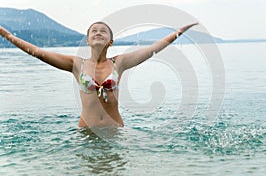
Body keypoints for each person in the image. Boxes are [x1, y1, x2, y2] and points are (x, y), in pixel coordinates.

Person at [0, 21, 198, 128]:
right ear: (87, 40)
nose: (98, 32)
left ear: (110, 41)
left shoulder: (119, 62)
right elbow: (38, 52)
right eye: (94, 31)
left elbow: (153, 49)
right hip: (86, 132)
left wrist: (178, 32)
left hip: (115, 131)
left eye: (103, 31)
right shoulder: (76, 64)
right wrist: (7, 35)